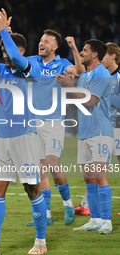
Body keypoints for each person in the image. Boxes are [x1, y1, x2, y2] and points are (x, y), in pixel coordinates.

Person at [0, 9, 47, 254]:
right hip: (1, 138)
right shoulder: (1, 71)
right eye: (2, 52)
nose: (4, 55)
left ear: (21, 50)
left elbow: (14, 53)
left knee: (32, 189)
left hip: (25, 136)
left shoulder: (30, 68)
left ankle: (41, 241)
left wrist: (4, 31)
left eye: (7, 51)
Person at [26, 31, 85, 226]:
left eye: (46, 41)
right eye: (41, 39)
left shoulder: (61, 64)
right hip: (34, 122)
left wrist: (75, 48)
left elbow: (79, 71)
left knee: (52, 163)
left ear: (54, 47)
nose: (41, 43)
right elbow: (14, 60)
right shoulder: (32, 61)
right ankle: (47, 215)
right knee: (40, 170)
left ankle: (68, 204)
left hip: (53, 121)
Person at [57, 39, 113, 234]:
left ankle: (107, 221)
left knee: (100, 176)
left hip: (100, 132)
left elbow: (90, 101)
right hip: (85, 132)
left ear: (95, 54)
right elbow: (78, 105)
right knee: (89, 178)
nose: (82, 52)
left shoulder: (102, 73)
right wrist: (68, 88)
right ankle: (95, 219)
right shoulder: (86, 75)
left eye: (84, 50)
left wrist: (70, 87)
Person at [101, 42, 120, 217]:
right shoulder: (101, 77)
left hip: (118, 127)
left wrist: (107, 96)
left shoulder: (119, 77)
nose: (101, 58)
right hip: (103, 128)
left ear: (113, 56)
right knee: (97, 167)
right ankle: (88, 204)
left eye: (104, 55)